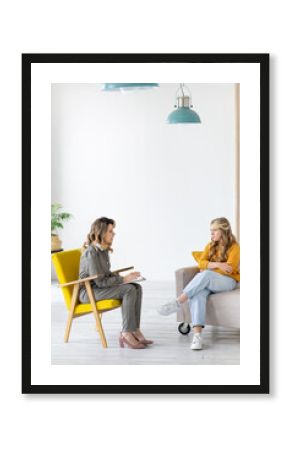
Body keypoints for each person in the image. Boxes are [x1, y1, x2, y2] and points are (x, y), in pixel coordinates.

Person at [158, 217, 240, 350]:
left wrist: (209, 267)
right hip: (210, 280)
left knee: (205, 274)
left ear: (223, 231)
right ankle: (197, 337)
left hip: (227, 281)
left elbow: (229, 269)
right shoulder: (210, 245)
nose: (211, 234)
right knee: (198, 293)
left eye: (214, 231)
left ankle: (178, 302)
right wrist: (218, 264)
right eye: (210, 231)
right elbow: (201, 263)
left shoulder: (234, 247)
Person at [79, 217, 153, 349]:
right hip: (89, 292)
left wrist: (128, 277)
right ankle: (126, 333)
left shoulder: (103, 250)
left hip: (99, 288)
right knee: (129, 289)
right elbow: (100, 282)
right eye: (110, 231)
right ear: (100, 232)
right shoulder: (91, 253)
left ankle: (134, 329)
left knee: (136, 287)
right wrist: (124, 279)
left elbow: (105, 274)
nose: (114, 234)